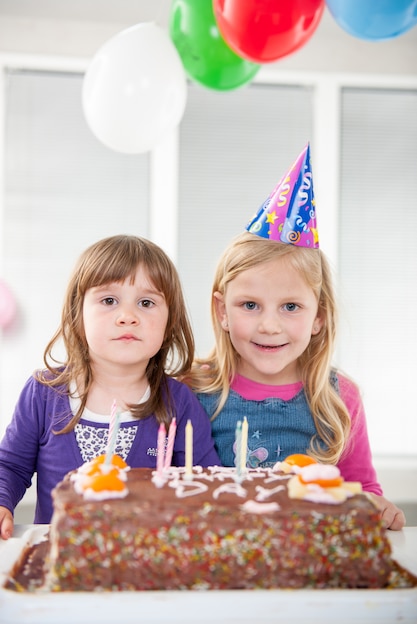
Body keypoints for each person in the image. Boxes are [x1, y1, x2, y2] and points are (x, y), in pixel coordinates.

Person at [189, 144, 405, 530]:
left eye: (290, 307)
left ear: (318, 316)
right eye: (250, 305)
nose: (269, 326)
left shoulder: (339, 399)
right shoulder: (193, 389)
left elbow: (363, 490)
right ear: (222, 311)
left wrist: (377, 505)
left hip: (309, 569)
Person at [0, 234, 221, 539]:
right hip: (60, 570)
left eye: (146, 303)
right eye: (108, 300)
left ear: (170, 321)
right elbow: (10, 467)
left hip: (148, 568)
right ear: (78, 315)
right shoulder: (43, 392)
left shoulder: (179, 402)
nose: (127, 316)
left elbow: (207, 483)